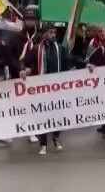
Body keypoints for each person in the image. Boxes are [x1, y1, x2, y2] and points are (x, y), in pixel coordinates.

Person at [21, 22, 71, 153]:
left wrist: (85, 64)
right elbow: (25, 62)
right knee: (42, 116)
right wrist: (24, 70)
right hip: (41, 89)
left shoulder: (60, 49)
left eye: (54, 33)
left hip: (57, 88)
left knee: (58, 115)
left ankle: (56, 137)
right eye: (50, 32)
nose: (53, 35)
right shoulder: (36, 49)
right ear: (44, 34)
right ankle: (43, 144)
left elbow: (69, 60)